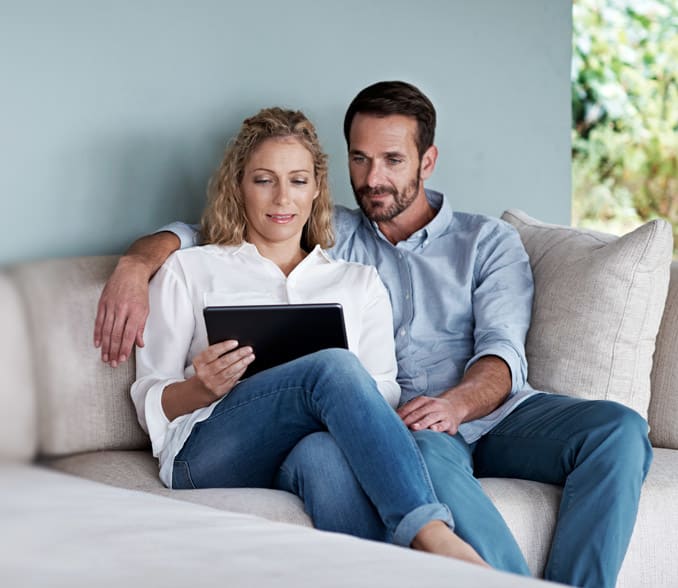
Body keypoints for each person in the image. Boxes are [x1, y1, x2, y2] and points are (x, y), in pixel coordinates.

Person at [96, 83, 652, 588]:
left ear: (427, 161)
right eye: (360, 160)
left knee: (620, 430)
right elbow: (223, 235)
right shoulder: (285, 246)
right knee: (337, 395)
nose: (374, 177)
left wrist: (454, 405)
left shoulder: (471, 245)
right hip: (341, 430)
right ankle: (452, 550)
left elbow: (499, 353)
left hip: (478, 412)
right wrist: (138, 261)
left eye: (392, 159)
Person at [129, 105, 487, 565]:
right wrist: (199, 389)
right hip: (207, 453)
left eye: (298, 180)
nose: (282, 198)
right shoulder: (189, 269)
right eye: (263, 180)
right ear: (238, 186)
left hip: (312, 443)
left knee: (322, 454)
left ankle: (384, 575)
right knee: (333, 365)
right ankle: (429, 530)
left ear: (317, 188)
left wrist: (327, 406)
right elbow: (148, 398)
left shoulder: (357, 282)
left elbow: (381, 391)